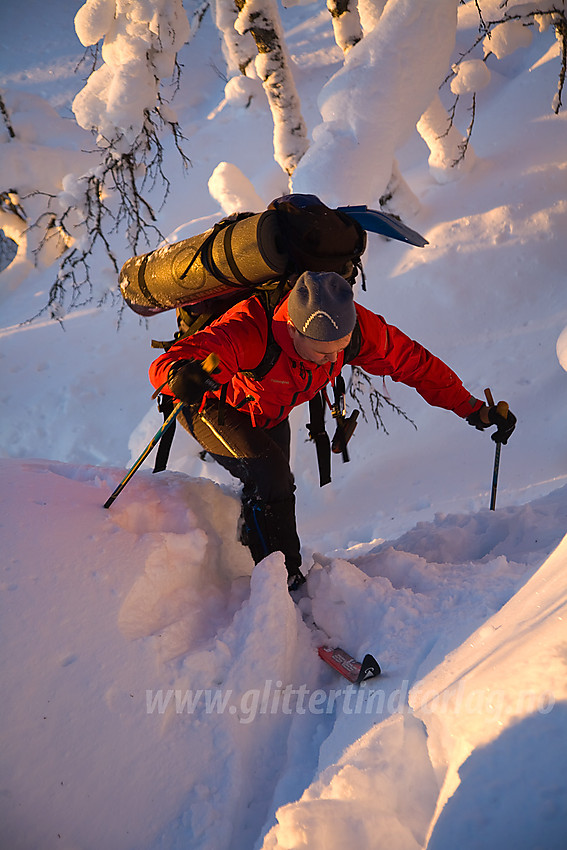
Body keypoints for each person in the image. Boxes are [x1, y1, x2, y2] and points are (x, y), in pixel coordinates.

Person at [149, 271, 516, 591]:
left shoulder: (354, 330)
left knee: (274, 485)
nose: (331, 359)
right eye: (321, 352)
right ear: (293, 328)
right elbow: (174, 360)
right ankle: (284, 583)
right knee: (270, 476)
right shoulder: (250, 329)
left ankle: (257, 559)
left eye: (338, 351)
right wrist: (180, 375)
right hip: (211, 403)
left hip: (269, 407)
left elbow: (414, 363)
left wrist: (474, 410)